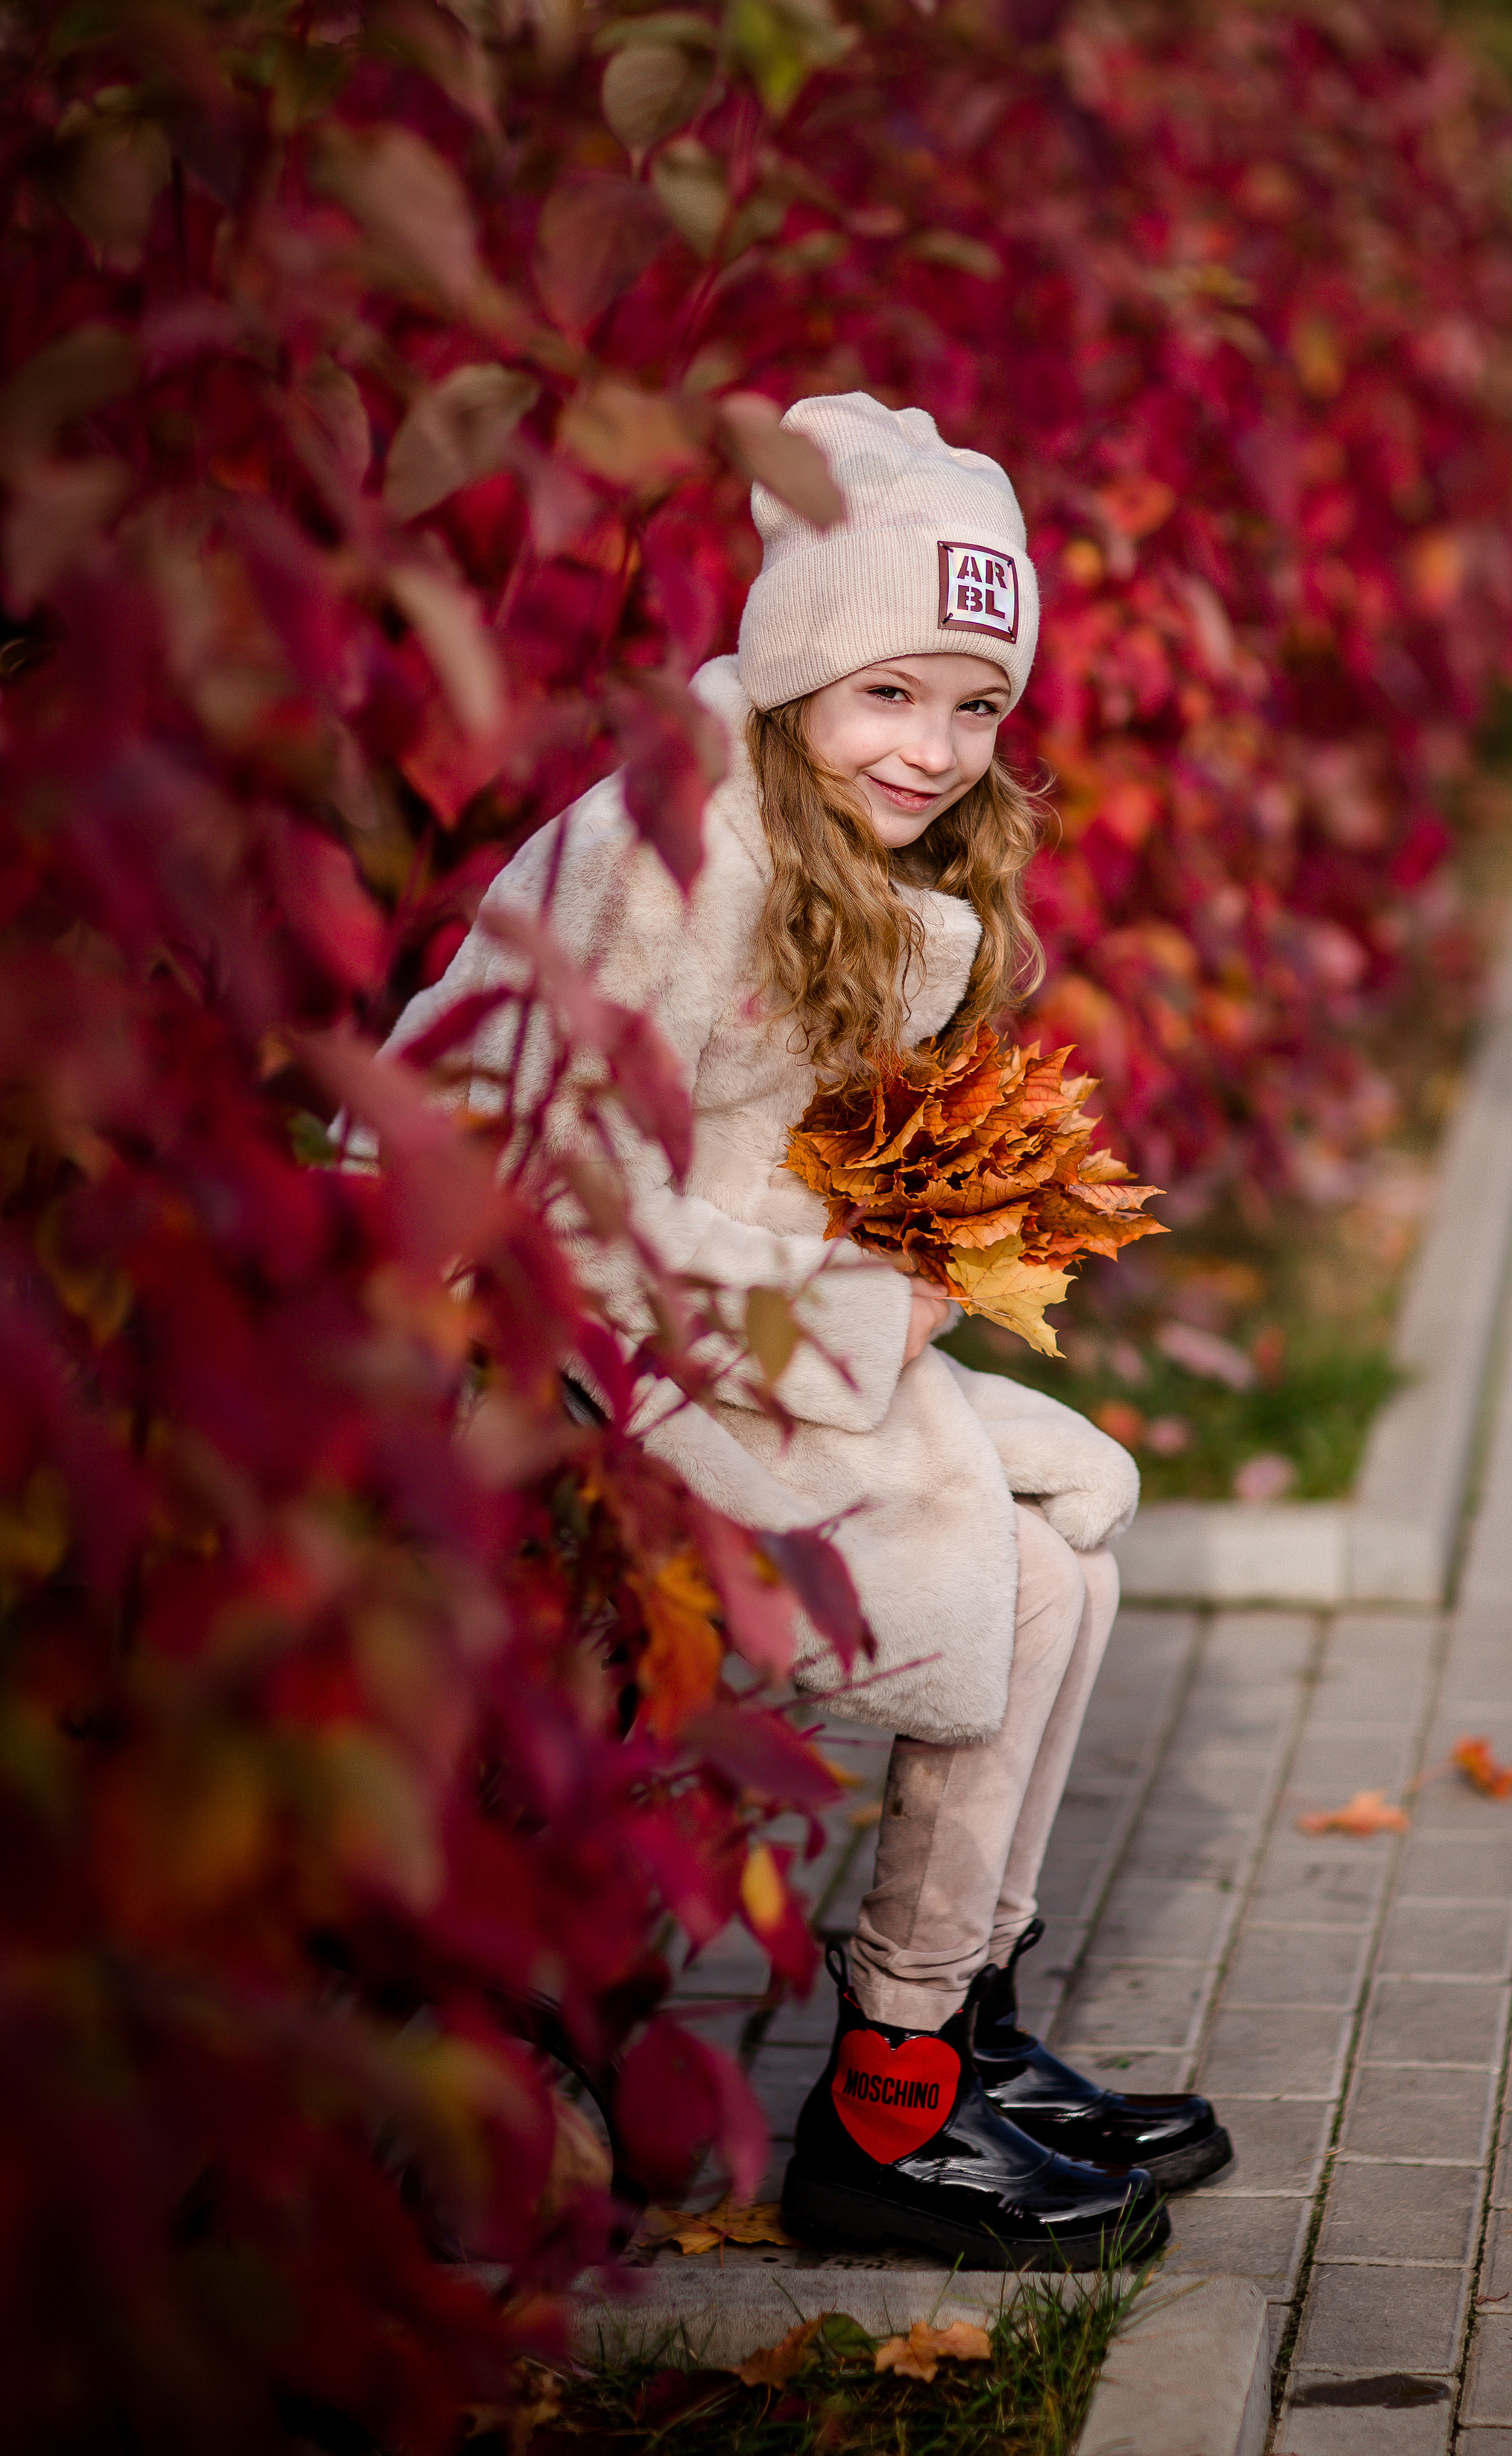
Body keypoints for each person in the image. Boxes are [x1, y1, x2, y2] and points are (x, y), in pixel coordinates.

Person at [383, 393, 1230, 2267]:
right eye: (889, 695)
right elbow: (542, 1182)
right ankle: (883, 2114)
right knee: (994, 1584)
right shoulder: (666, 851)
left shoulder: (875, 866)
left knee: (1074, 1548)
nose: (934, 751)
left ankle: (949, 2035)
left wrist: (921, 1236)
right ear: (790, 678)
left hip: (735, 1323)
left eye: (977, 707)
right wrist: (863, 1310)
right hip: (541, 1331)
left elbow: (781, 1167)